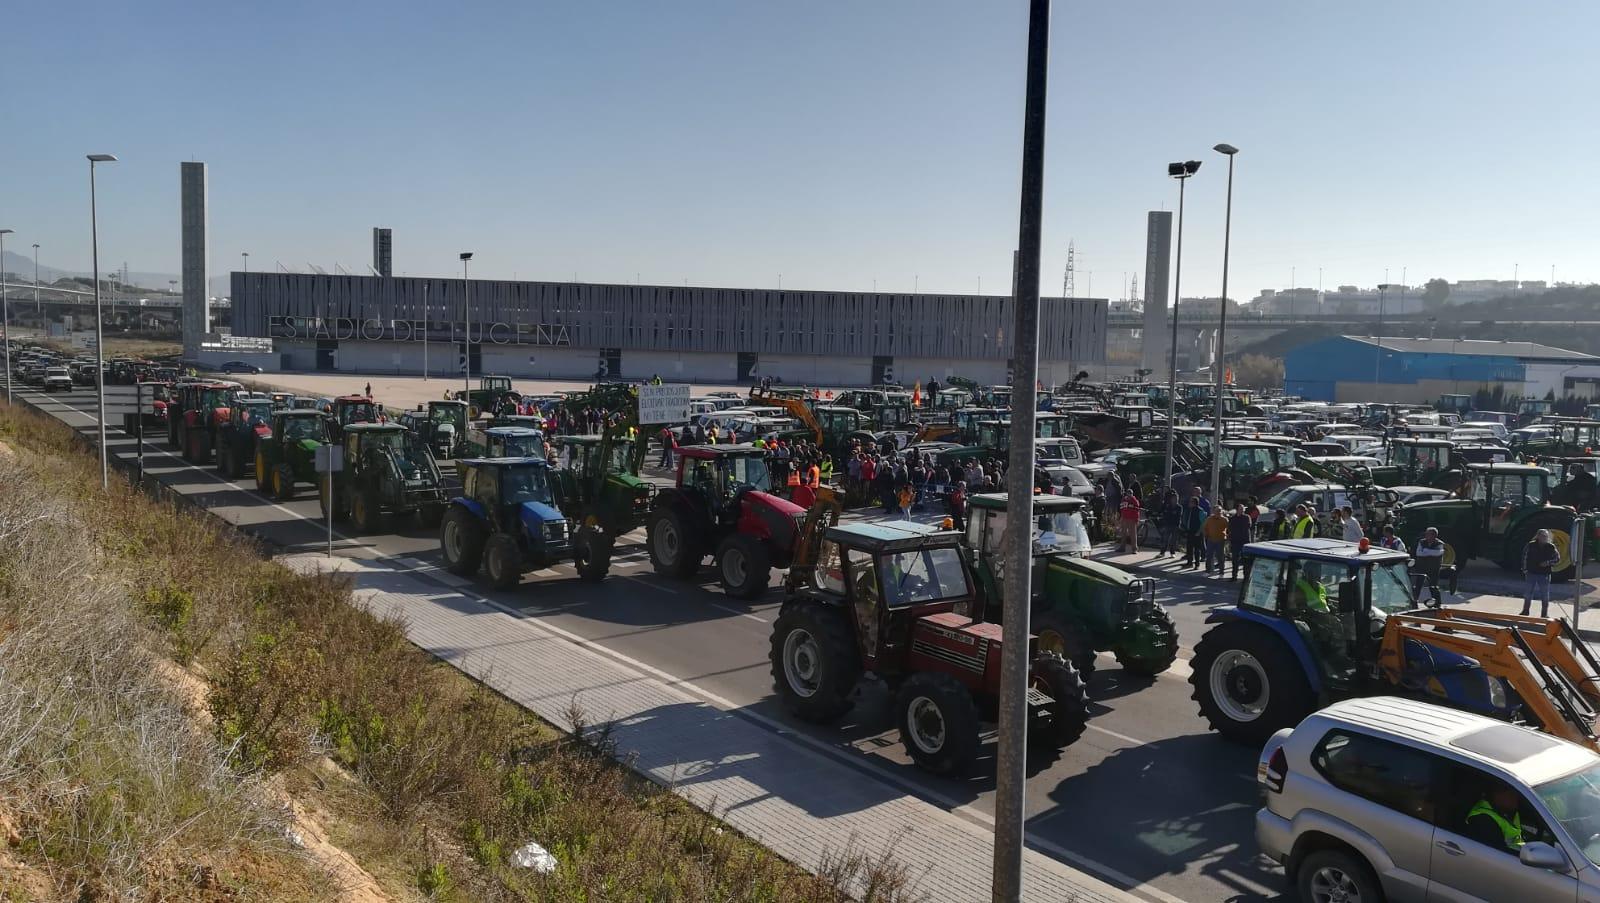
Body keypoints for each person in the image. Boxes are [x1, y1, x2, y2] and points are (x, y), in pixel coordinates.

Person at [1464, 784, 1527, 854]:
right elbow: (1500, 854)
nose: (1516, 799)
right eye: (1511, 796)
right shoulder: (1484, 821)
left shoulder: (1508, 809)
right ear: (1498, 795)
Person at [1521, 528, 1560, 617]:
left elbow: (1557, 558)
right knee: (1528, 594)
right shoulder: (1530, 545)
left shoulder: (1551, 547)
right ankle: (1525, 611)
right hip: (1531, 573)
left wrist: (1548, 563)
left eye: (1546, 536)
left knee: (1545, 595)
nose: (1545, 538)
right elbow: (1524, 557)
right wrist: (1525, 569)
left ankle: (1544, 614)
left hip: (1544, 574)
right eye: (1543, 536)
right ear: (1538, 536)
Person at [1412, 526, 1446, 607]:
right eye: (1426, 534)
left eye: (1429, 534)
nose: (1427, 536)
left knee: (1433, 586)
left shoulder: (1440, 544)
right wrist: (1431, 553)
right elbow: (1418, 553)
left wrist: (1426, 551)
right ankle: (1414, 601)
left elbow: (1439, 553)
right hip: (1422, 567)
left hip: (1434, 568)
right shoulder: (1421, 542)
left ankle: (1437, 603)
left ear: (1434, 536)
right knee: (1418, 585)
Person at [1227, 503, 1252, 579]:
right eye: (1240, 509)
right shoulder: (1233, 518)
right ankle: (1234, 576)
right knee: (1235, 560)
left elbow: (1248, 525)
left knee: (1245, 560)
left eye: (1243, 509)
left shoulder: (1246, 517)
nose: (1242, 510)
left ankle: (1246, 577)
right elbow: (1230, 528)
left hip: (1245, 541)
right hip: (1235, 541)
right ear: (1237, 510)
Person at [1203, 506, 1229, 576]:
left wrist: (1227, 537)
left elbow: (1229, 529)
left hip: (1220, 540)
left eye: (1220, 510)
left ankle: (1221, 572)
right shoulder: (1209, 519)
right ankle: (1208, 571)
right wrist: (1206, 535)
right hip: (1210, 539)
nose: (1218, 512)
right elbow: (1205, 527)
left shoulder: (1224, 519)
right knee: (1209, 556)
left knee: (1220, 557)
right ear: (1214, 511)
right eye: (1217, 511)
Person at [1182, 494, 1206, 569]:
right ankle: (1189, 563)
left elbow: (1203, 523)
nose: (1189, 503)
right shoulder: (1189, 510)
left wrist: (1199, 532)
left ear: (1194, 503)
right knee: (1189, 548)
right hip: (1190, 531)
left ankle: (1197, 564)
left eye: (1191, 502)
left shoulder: (1200, 511)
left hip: (1197, 532)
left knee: (1197, 549)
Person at [1157, 489, 1182, 557]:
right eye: (1174, 498)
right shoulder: (1168, 506)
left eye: (1176, 498)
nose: (1175, 500)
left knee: (1173, 540)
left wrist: (1171, 514)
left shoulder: (1179, 507)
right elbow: (1166, 514)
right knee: (1165, 539)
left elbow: (1178, 516)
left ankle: (1172, 552)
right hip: (1168, 524)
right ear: (1171, 499)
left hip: (1175, 525)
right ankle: (1162, 552)